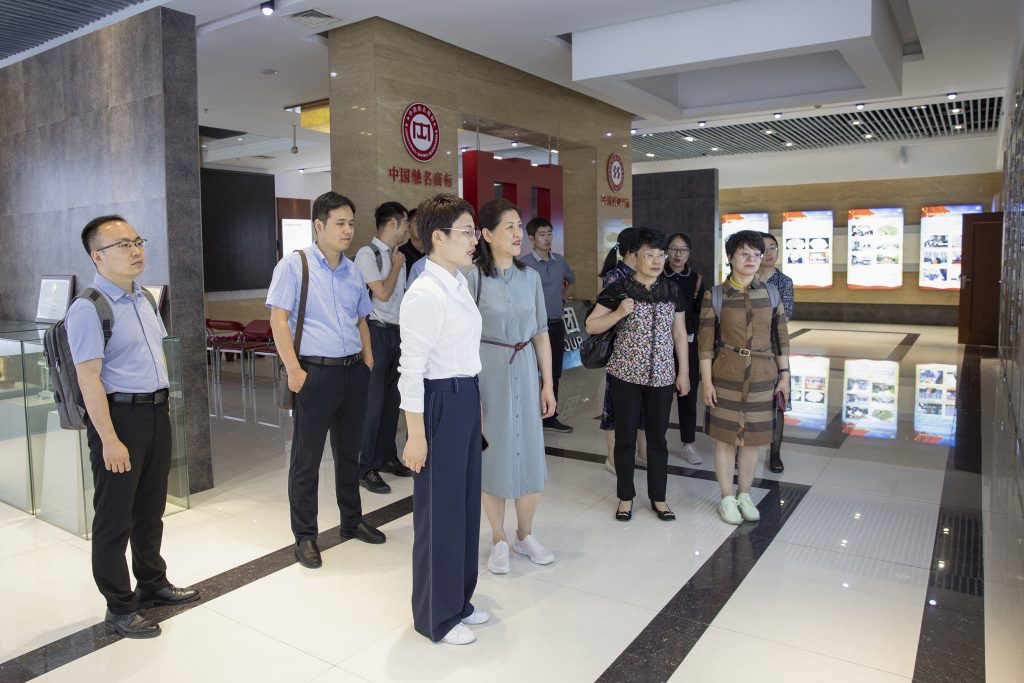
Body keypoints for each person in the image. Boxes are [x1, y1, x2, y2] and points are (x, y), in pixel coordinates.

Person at [66, 215, 199, 639]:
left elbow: (155, 356)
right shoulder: (88, 308)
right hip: (118, 419)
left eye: (138, 241)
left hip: (155, 414)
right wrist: (109, 440)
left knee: (150, 509)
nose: (136, 250)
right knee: (114, 519)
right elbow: (89, 379)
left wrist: (163, 408)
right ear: (98, 256)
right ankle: (120, 607)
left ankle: (152, 583)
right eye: (123, 244)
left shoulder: (144, 299)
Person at [267, 191, 386, 570]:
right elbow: (278, 319)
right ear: (318, 226)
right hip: (314, 374)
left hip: (353, 372)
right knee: (307, 458)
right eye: (340, 223)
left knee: (349, 453)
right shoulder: (295, 265)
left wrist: (368, 361)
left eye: (351, 223)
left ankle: (352, 520)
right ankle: (305, 536)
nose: (347, 230)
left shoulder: (352, 271)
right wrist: (294, 370)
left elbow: (361, 318)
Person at [399, 193, 489, 646]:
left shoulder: (458, 283)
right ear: (438, 237)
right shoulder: (424, 294)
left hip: (464, 396)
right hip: (439, 401)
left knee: (465, 507)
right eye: (467, 232)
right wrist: (416, 436)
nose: (475, 240)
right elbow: (410, 371)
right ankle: (436, 616)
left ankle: (459, 600)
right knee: (440, 513)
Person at [467, 199, 557, 575]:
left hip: (524, 368)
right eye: (510, 227)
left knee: (530, 455)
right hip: (488, 373)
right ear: (487, 235)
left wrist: (547, 384)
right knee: (495, 457)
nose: (518, 233)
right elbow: (462, 336)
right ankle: (498, 538)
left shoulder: (530, 278)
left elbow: (541, 333)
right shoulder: (472, 277)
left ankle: (525, 534)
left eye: (519, 225)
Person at [586, 228, 690, 522]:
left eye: (660, 255)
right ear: (635, 257)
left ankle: (659, 497)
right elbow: (592, 325)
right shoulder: (620, 289)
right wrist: (618, 312)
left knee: (658, 439)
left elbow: (679, 334)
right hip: (625, 376)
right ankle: (625, 497)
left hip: (662, 377)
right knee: (625, 439)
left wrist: (683, 372)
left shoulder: (672, 290)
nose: (657, 261)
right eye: (649, 255)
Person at [699, 230, 790, 525]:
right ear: (730, 257)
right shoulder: (715, 295)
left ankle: (745, 494)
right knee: (725, 439)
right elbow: (705, 345)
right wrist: (707, 382)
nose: (751, 259)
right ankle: (727, 497)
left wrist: (785, 375)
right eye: (743, 253)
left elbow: (781, 338)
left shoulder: (771, 294)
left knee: (753, 440)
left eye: (756, 254)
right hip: (726, 373)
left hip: (764, 374)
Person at [354, 201, 414, 494]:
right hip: (375, 333)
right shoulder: (368, 254)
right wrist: (398, 265)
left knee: (393, 400)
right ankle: (365, 467)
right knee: (374, 403)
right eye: (405, 223)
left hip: (397, 333)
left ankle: (386, 456)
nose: (407, 229)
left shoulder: (397, 254)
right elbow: (381, 293)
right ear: (392, 223)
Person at [597, 228, 647, 473]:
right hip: (619, 350)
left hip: (640, 352)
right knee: (614, 408)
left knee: (639, 408)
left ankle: (639, 455)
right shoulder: (615, 277)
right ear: (633, 251)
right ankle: (613, 459)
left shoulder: (640, 274)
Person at [522, 216, 576, 434]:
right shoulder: (524, 264)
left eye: (550, 233)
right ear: (531, 239)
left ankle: (550, 417)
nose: (547, 238)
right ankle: (527, 417)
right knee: (529, 373)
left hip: (555, 324)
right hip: (531, 329)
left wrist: (562, 298)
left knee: (553, 373)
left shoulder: (559, 261)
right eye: (542, 234)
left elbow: (572, 280)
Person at [661, 233, 705, 466]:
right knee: (661, 395)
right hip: (661, 344)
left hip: (688, 343)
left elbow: (701, 312)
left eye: (683, 250)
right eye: (673, 249)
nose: (678, 254)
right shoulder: (658, 274)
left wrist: (689, 328)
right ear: (667, 251)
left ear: (689, 253)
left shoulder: (695, 279)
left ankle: (688, 443)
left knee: (688, 395)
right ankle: (657, 442)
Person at [757, 232, 795, 473]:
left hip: (774, 347)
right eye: (764, 248)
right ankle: (741, 448)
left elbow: (785, 315)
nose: (769, 253)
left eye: (773, 248)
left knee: (777, 400)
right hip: (746, 348)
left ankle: (775, 454)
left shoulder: (784, 281)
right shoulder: (744, 278)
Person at [398, 208, 424, 278]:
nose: (422, 226)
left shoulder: (433, 254)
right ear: (408, 226)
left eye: (425, 223)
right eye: (417, 223)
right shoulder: (400, 254)